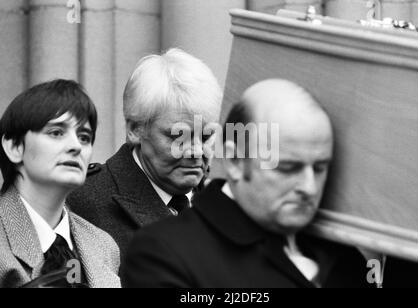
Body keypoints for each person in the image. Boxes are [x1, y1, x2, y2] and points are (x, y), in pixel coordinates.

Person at [122, 79, 370, 288]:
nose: (309, 187)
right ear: (235, 161)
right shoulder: (164, 252)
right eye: (287, 167)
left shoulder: (344, 257)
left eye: (319, 168)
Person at [67, 48, 223, 263]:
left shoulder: (229, 205)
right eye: (179, 137)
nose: (196, 151)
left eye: (206, 137)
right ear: (135, 129)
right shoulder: (80, 204)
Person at [0, 80, 121, 288]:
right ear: (14, 147)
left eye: (84, 137)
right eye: (56, 133)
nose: (76, 146)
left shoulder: (103, 246)